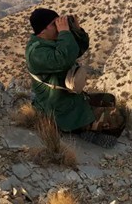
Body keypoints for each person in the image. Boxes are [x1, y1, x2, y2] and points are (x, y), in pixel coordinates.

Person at [25, 8, 124, 148]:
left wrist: (76, 30)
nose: (58, 26)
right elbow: (64, 59)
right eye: (54, 24)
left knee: (109, 99)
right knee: (118, 117)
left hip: (69, 100)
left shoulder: (50, 41)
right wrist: (65, 32)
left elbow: (77, 49)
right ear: (43, 30)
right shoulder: (36, 52)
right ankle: (80, 133)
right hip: (59, 111)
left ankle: (86, 128)